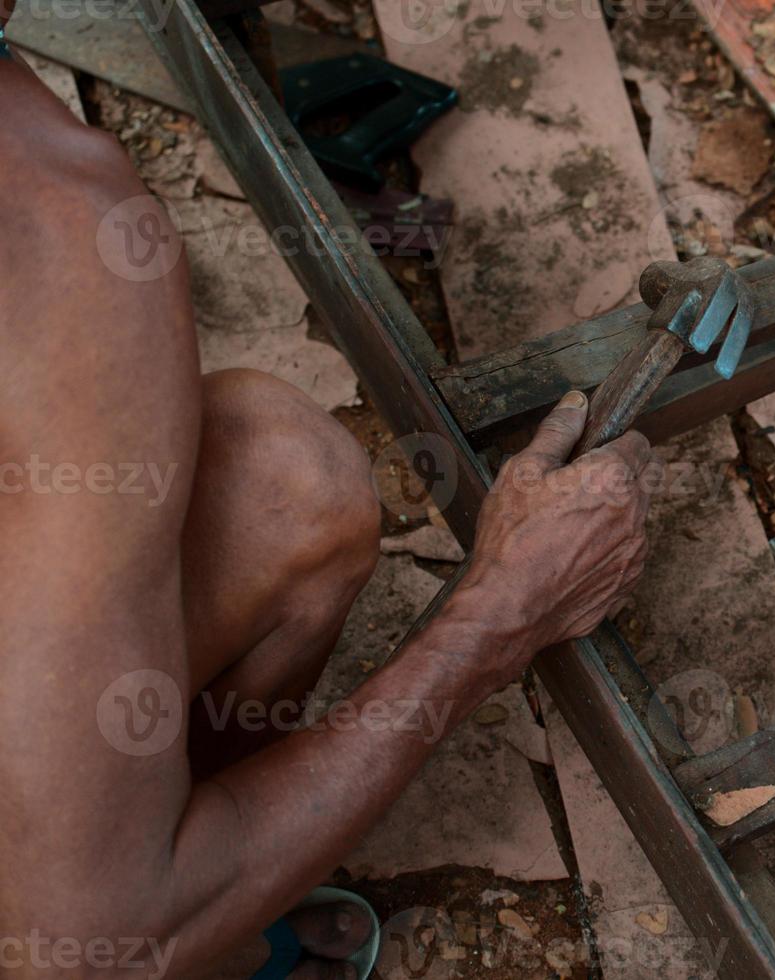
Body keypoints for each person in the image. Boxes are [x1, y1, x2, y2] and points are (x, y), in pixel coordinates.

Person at [0, 17, 655, 979]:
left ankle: (158, 858)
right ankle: (182, 899)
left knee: (281, 488)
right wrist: (499, 618)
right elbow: (81, 946)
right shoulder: (58, 239)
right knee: (104, 927)